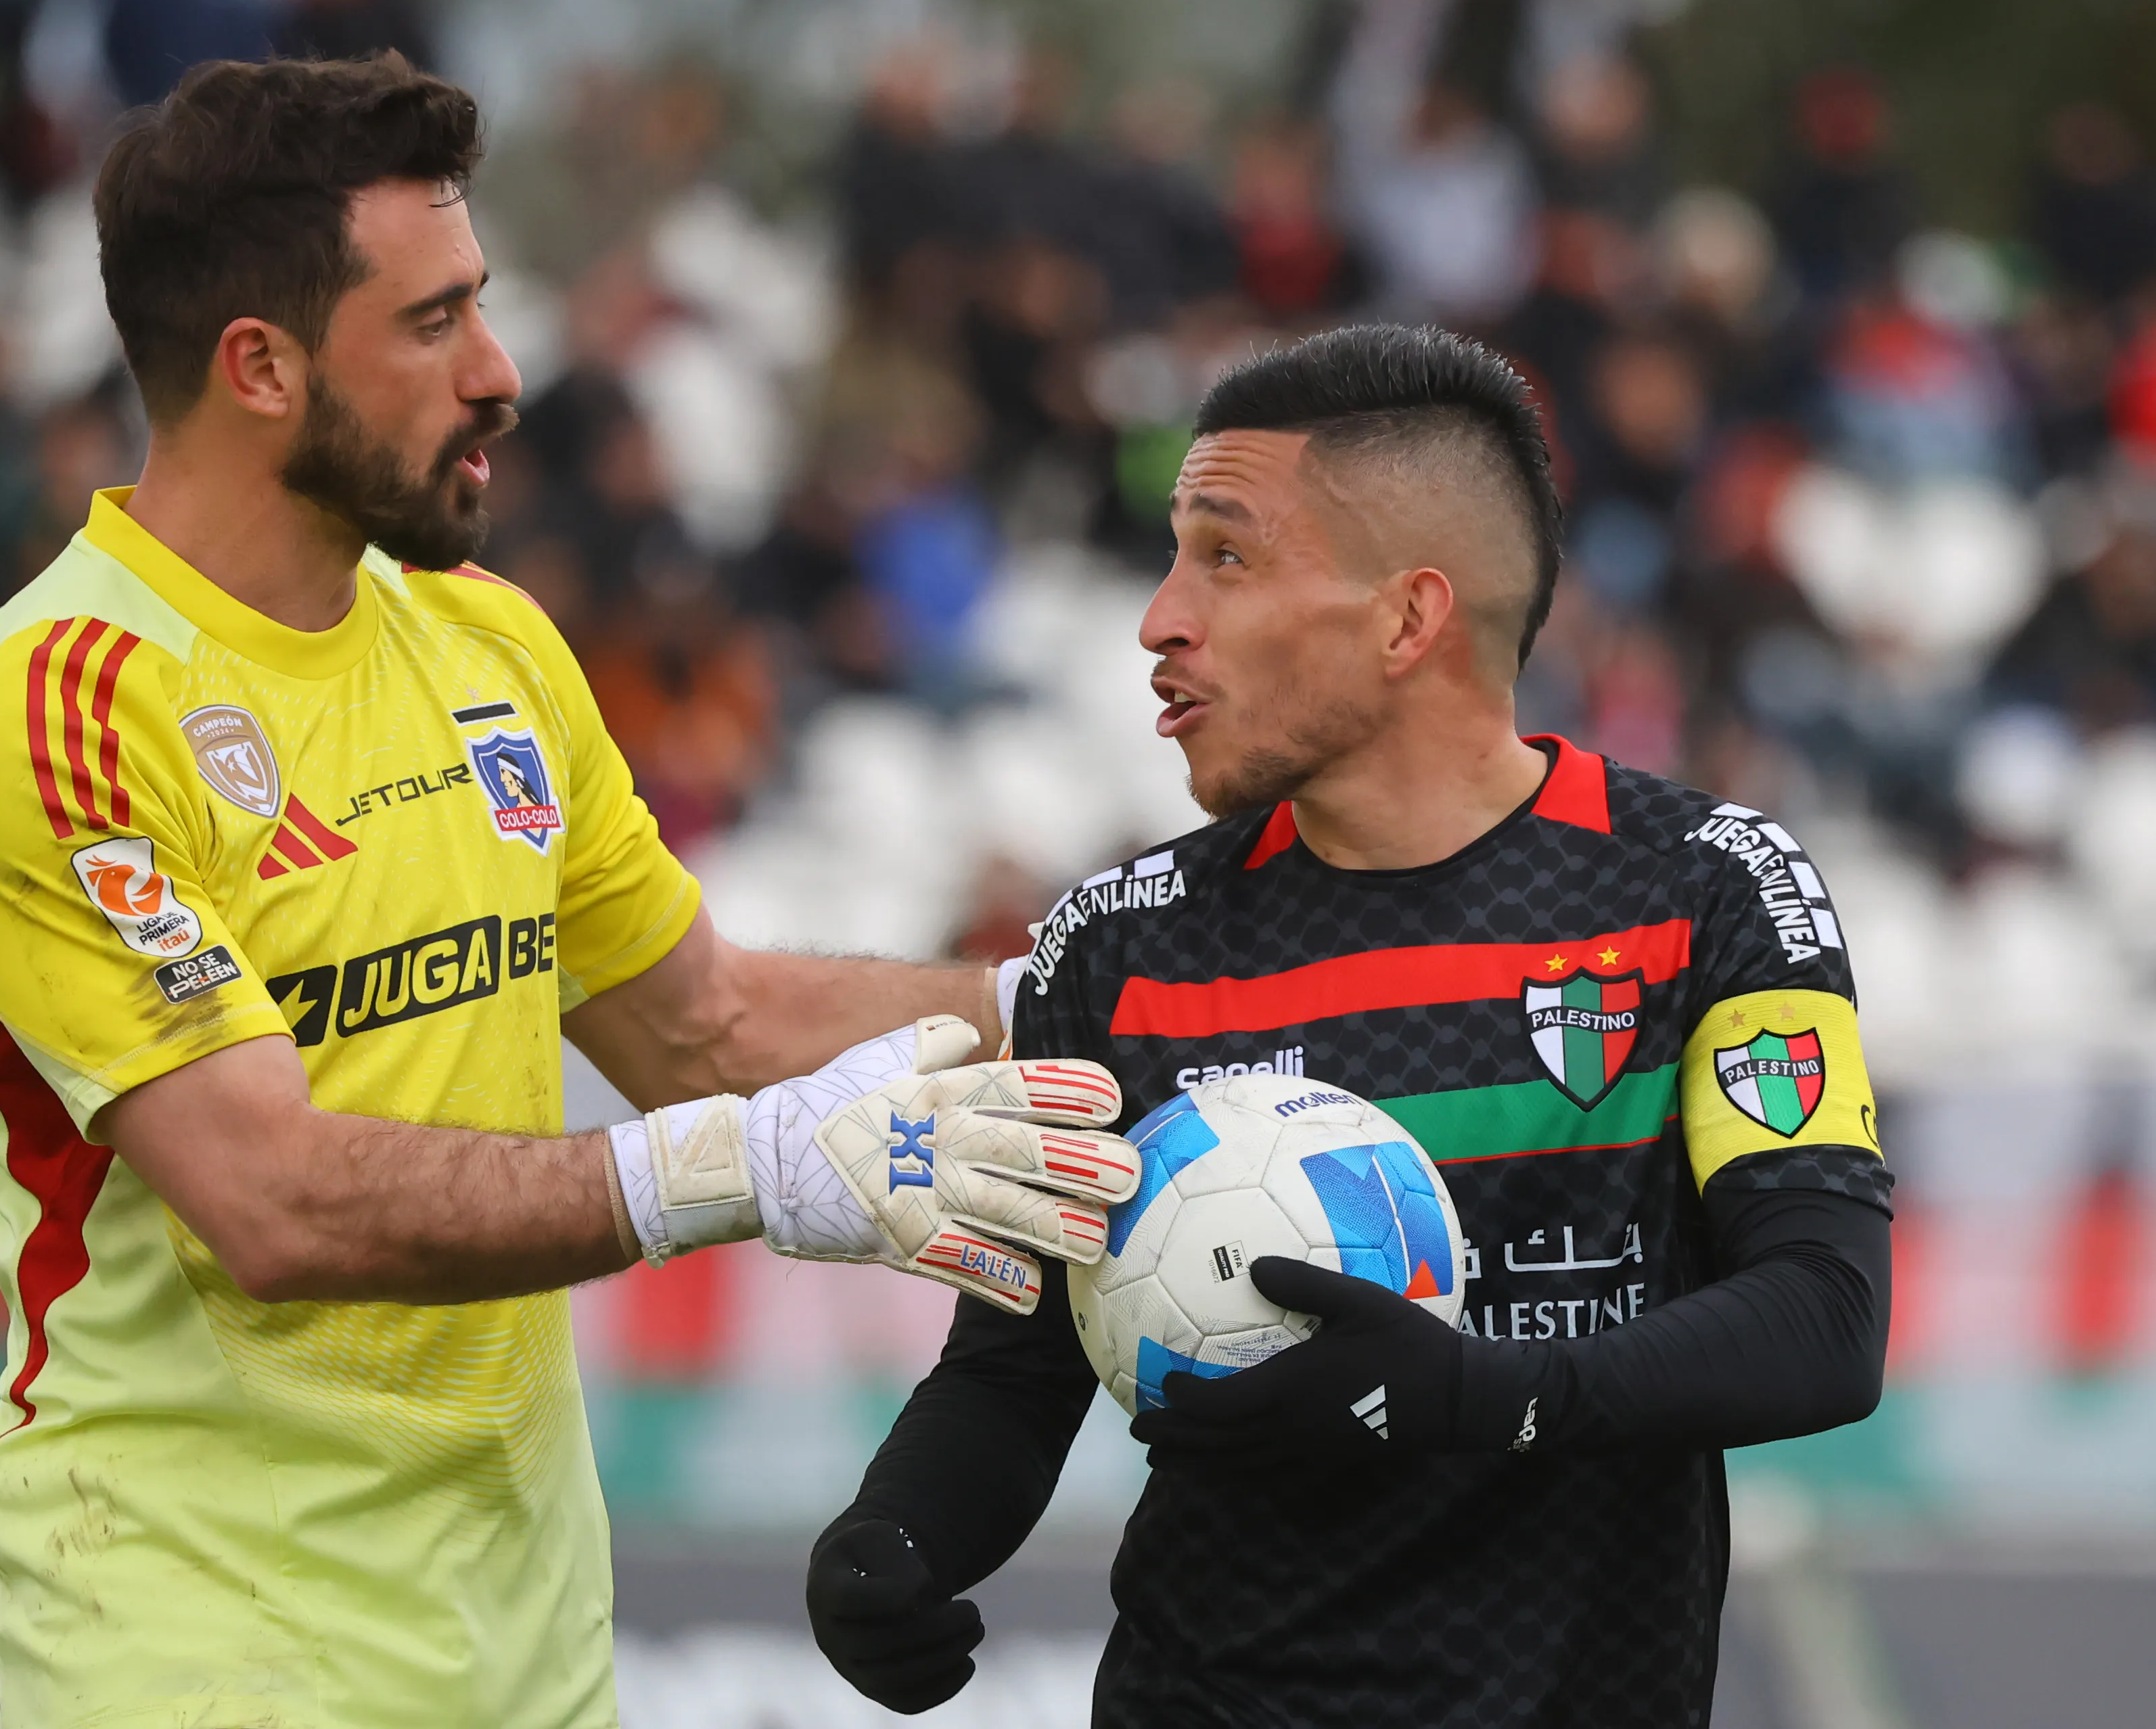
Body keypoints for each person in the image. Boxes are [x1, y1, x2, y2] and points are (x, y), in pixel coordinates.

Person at [0, 55, 1140, 1729]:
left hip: (533, 1648)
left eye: (480, 306)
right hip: (205, 1648)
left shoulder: (483, 638)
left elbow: (708, 1025)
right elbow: (275, 1201)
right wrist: (733, 1175)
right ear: (257, 366)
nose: (498, 374)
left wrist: (1086, 992)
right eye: (430, 326)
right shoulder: (55, 710)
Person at [807, 323, 1894, 1726]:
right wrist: (893, 1538)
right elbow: (1012, 1366)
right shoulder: (1120, 946)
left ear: (1405, 617)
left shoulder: (1704, 891)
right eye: (1171, 555)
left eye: (1227, 555)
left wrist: (1482, 1393)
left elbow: (1823, 1314)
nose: (1159, 618)